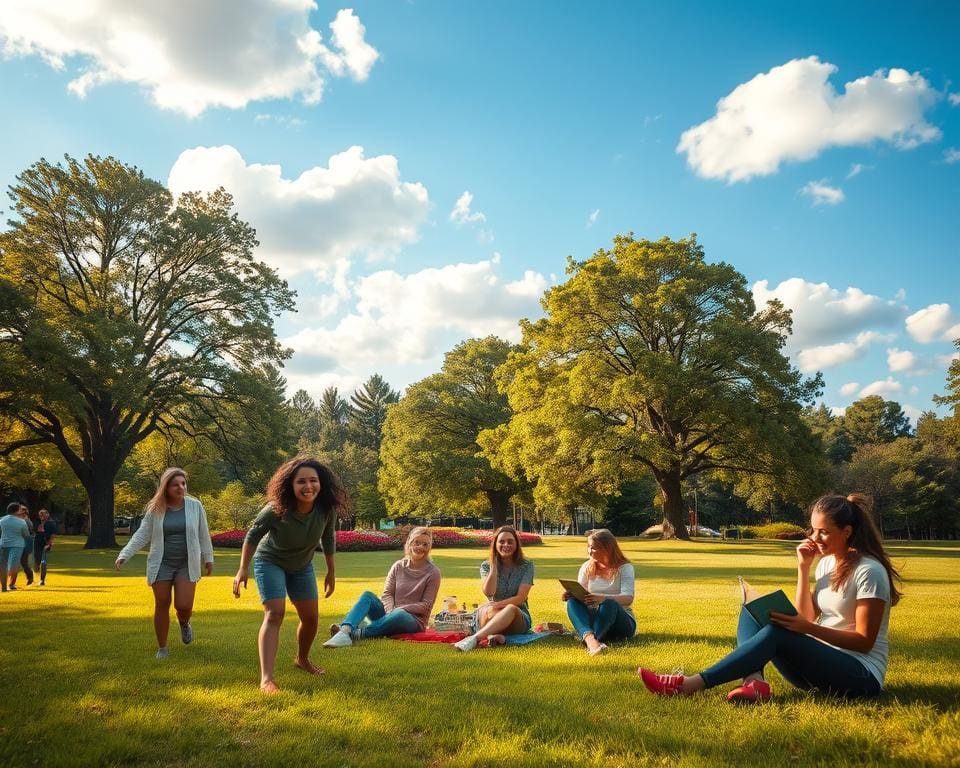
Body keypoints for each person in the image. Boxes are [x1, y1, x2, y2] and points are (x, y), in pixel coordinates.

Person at [639, 493, 902, 702]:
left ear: (847, 531)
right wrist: (803, 568)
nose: (814, 538)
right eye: (812, 530)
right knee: (751, 611)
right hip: (817, 669)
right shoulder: (827, 563)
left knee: (778, 633)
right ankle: (754, 683)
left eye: (824, 532)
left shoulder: (870, 571)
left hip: (859, 676)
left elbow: (864, 642)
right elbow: (807, 616)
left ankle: (689, 685)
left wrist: (806, 629)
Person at [232, 456, 347, 693]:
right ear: (290, 485)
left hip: (302, 565)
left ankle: (302, 659)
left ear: (321, 483)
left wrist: (331, 571)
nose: (308, 487)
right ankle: (266, 679)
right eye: (301, 482)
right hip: (270, 561)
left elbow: (328, 538)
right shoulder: (276, 509)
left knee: (311, 618)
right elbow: (252, 536)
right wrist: (243, 568)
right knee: (275, 613)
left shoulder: (326, 509)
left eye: (313, 481)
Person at [116, 468, 215, 659]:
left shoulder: (195, 506)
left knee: (183, 606)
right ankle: (162, 648)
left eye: (183, 483)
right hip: (161, 563)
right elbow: (142, 534)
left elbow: (204, 533)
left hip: (187, 563)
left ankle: (184, 623)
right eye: (176, 484)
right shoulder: (156, 509)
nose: (181, 487)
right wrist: (124, 554)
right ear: (166, 487)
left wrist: (208, 558)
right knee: (162, 603)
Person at [324, 526, 441, 647]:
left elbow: (426, 605)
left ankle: (356, 634)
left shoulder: (433, 572)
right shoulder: (398, 566)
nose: (420, 547)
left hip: (413, 621)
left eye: (425, 545)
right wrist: (390, 610)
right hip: (390, 612)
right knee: (367, 596)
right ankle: (345, 631)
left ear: (429, 548)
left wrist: (400, 609)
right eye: (417, 542)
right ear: (410, 542)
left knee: (399, 615)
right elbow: (387, 593)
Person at [454, 525, 534, 652]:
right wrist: (494, 567)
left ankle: (474, 638)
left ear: (516, 545)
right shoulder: (486, 566)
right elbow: (489, 592)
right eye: (501, 541)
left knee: (510, 608)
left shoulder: (527, 566)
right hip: (493, 611)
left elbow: (521, 598)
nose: (506, 545)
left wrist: (499, 604)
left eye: (510, 541)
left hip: (517, 615)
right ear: (495, 544)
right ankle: (495, 636)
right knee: (489, 611)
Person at [564, 528, 636, 656]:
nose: (589, 551)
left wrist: (602, 598)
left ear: (607, 549)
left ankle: (588, 638)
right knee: (572, 602)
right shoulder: (587, 566)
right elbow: (583, 593)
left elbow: (628, 598)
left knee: (609, 603)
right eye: (588, 547)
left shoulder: (625, 568)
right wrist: (573, 594)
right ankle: (592, 641)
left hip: (621, 623)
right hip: (595, 617)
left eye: (593, 548)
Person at [0, 503, 31, 592]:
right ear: (17, 511)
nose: (21, 511)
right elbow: (26, 535)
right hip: (17, 545)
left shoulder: (2, 520)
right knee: (14, 566)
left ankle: (4, 588)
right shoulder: (22, 522)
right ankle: (12, 584)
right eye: (20, 509)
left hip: (3, 544)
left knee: (2, 566)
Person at [10, 505, 34, 588]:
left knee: (23, 563)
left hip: (23, 545)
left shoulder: (26, 521)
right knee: (20, 563)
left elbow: (28, 535)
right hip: (17, 544)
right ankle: (13, 583)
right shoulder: (20, 520)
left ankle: (29, 577)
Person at [33, 509, 57, 586]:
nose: (42, 516)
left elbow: (53, 535)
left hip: (45, 543)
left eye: (43, 514)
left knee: (43, 562)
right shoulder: (37, 522)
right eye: (40, 515)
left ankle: (42, 580)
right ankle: (36, 569)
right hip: (37, 543)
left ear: (48, 514)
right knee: (37, 562)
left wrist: (49, 544)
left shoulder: (51, 523)